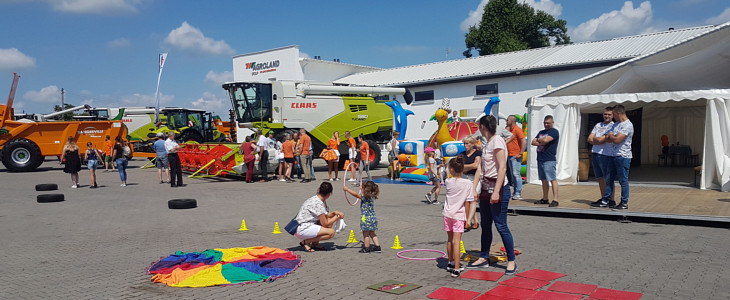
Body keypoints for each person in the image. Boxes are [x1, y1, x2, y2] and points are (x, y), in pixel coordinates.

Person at [467, 115, 517, 275]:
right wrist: (474, 188)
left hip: (498, 187)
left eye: (478, 127)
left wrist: (496, 191)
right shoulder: (487, 144)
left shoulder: (497, 141)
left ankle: (511, 261)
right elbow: (481, 168)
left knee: (501, 225)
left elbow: (502, 168)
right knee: (486, 224)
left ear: (483, 127)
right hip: (486, 186)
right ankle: (483, 257)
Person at [442, 156, 475, 278]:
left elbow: (446, 170)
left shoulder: (448, 182)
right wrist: (469, 219)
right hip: (458, 216)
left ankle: (450, 262)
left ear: (451, 169)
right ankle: (456, 268)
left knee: (450, 240)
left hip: (447, 214)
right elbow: (469, 202)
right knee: (457, 242)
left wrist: (448, 165)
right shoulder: (467, 183)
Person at [294, 182, 345, 252]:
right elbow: (325, 223)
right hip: (302, 228)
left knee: (329, 222)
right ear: (329, 194)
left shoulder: (317, 198)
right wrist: (337, 217)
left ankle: (315, 244)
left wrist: (334, 213)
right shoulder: (318, 204)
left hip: (303, 225)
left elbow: (324, 215)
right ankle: (306, 242)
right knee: (331, 233)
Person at [603, 104, 633, 210]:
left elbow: (617, 140)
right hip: (613, 155)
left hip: (623, 156)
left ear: (619, 113)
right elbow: (606, 137)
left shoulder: (627, 125)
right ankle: (607, 199)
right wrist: (611, 136)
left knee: (623, 180)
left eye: (614, 115)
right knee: (609, 178)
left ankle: (624, 202)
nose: (613, 117)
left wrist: (612, 136)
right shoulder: (616, 124)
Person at [589, 107, 617, 208]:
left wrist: (597, 139)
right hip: (596, 153)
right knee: (600, 178)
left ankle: (611, 200)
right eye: (605, 114)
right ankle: (603, 198)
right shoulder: (598, 125)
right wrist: (597, 139)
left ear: (613, 115)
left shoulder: (613, 126)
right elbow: (589, 138)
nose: (607, 116)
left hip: (606, 154)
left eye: (609, 114)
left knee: (608, 178)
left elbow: (601, 139)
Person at [344, 181, 381, 253]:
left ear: (365, 189)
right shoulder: (372, 196)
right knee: (372, 232)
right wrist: (362, 189)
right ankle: (377, 246)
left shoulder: (364, 197)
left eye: (362, 187)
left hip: (365, 218)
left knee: (365, 233)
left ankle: (366, 248)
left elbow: (356, 195)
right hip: (373, 217)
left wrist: (347, 189)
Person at [531, 115, 559, 207]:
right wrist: (541, 140)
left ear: (552, 123)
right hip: (540, 158)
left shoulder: (554, 132)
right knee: (543, 180)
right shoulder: (541, 132)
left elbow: (546, 140)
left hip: (549, 159)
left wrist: (541, 140)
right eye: (545, 123)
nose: (546, 125)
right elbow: (533, 142)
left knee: (552, 179)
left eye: (548, 123)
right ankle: (545, 198)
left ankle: (555, 199)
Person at [460, 135, 481, 230]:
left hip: (474, 178)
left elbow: (477, 165)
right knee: (466, 201)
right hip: (464, 178)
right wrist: (469, 166)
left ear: (472, 144)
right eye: (464, 143)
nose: (465, 145)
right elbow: (459, 167)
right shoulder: (461, 154)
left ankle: (468, 221)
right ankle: (476, 221)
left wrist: (465, 167)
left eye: (467, 143)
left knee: (473, 199)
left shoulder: (477, 153)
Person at [505, 115, 526, 200]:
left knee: (516, 174)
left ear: (512, 121)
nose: (506, 122)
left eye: (507, 120)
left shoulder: (517, 129)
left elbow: (523, 141)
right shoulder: (509, 130)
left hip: (515, 155)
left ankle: (518, 193)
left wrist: (521, 153)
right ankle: (514, 192)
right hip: (509, 155)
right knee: (512, 175)